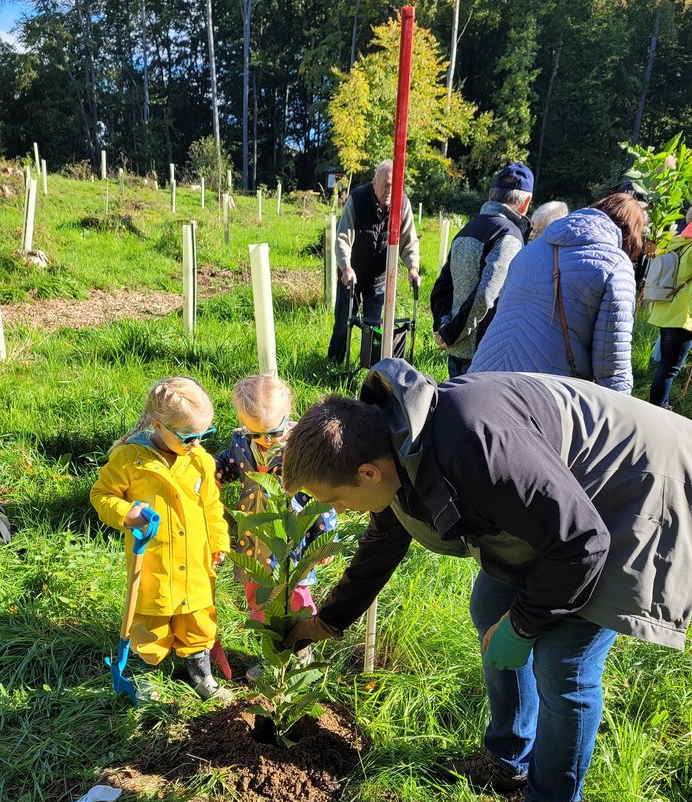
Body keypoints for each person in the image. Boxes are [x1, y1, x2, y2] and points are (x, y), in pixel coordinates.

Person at [280, 358, 692, 802]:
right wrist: (329, 620)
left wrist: (525, 625)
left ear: (367, 473)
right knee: (489, 605)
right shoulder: (392, 443)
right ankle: (509, 758)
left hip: (634, 486)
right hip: (560, 504)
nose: (341, 510)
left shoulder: (478, 447)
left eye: (335, 500)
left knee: (562, 662)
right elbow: (387, 535)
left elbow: (581, 543)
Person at [90, 377, 233, 702]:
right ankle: (146, 675)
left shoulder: (199, 461)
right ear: (158, 424)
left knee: (198, 620)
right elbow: (101, 495)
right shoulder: (131, 459)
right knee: (149, 623)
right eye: (189, 437)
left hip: (195, 562)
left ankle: (201, 675)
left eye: (203, 435)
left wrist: (218, 542)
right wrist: (127, 514)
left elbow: (212, 505)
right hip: (154, 564)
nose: (196, 443)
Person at [216, 375, 337, 681]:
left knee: (295, 597)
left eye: (274, 432)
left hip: (291, 539)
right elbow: (231, 463)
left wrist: (323, 539)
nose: (266, 441)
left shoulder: (303, 447)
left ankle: (300, 654)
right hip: (255, 540)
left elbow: (322, 497)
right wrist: (215, 470)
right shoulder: (242, 443)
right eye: (256, 433)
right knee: (260, 598)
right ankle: (272, 656)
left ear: (289, 416)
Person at [470, 193, 644, 390]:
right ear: (631, 234)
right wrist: (618, 413)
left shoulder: (530, 249)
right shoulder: (616, 265)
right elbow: (611, 365)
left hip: (481, 375)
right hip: (539, 394)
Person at [430, 162, 533, 380]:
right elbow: (486, 295)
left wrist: (443, 325)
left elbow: (442, 286)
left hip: (455, 344)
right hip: (484, 351)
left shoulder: (468, 228)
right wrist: (450, 332)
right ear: (526, 203)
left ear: (490, 194)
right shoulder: (509, 236)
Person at [327, 160, 420, 365]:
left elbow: (409, 241)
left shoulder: (402, 205)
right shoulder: (357, 199)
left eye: (394, 186)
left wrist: (413, 267)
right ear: (374, 182)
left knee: (373, 327)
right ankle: (334, 362)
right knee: (343, 323)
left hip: (378, 279)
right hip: (351, 275)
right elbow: (343, 238)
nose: (390, 190)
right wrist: (346, 267)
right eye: (386, 184)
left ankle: (370, 368)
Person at [648, 200, 692, 408]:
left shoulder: (680, 242)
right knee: (669, 370)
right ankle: (659, 410)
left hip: (665, 311)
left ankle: (658, 406)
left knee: (664, 368)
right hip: (683, 317)